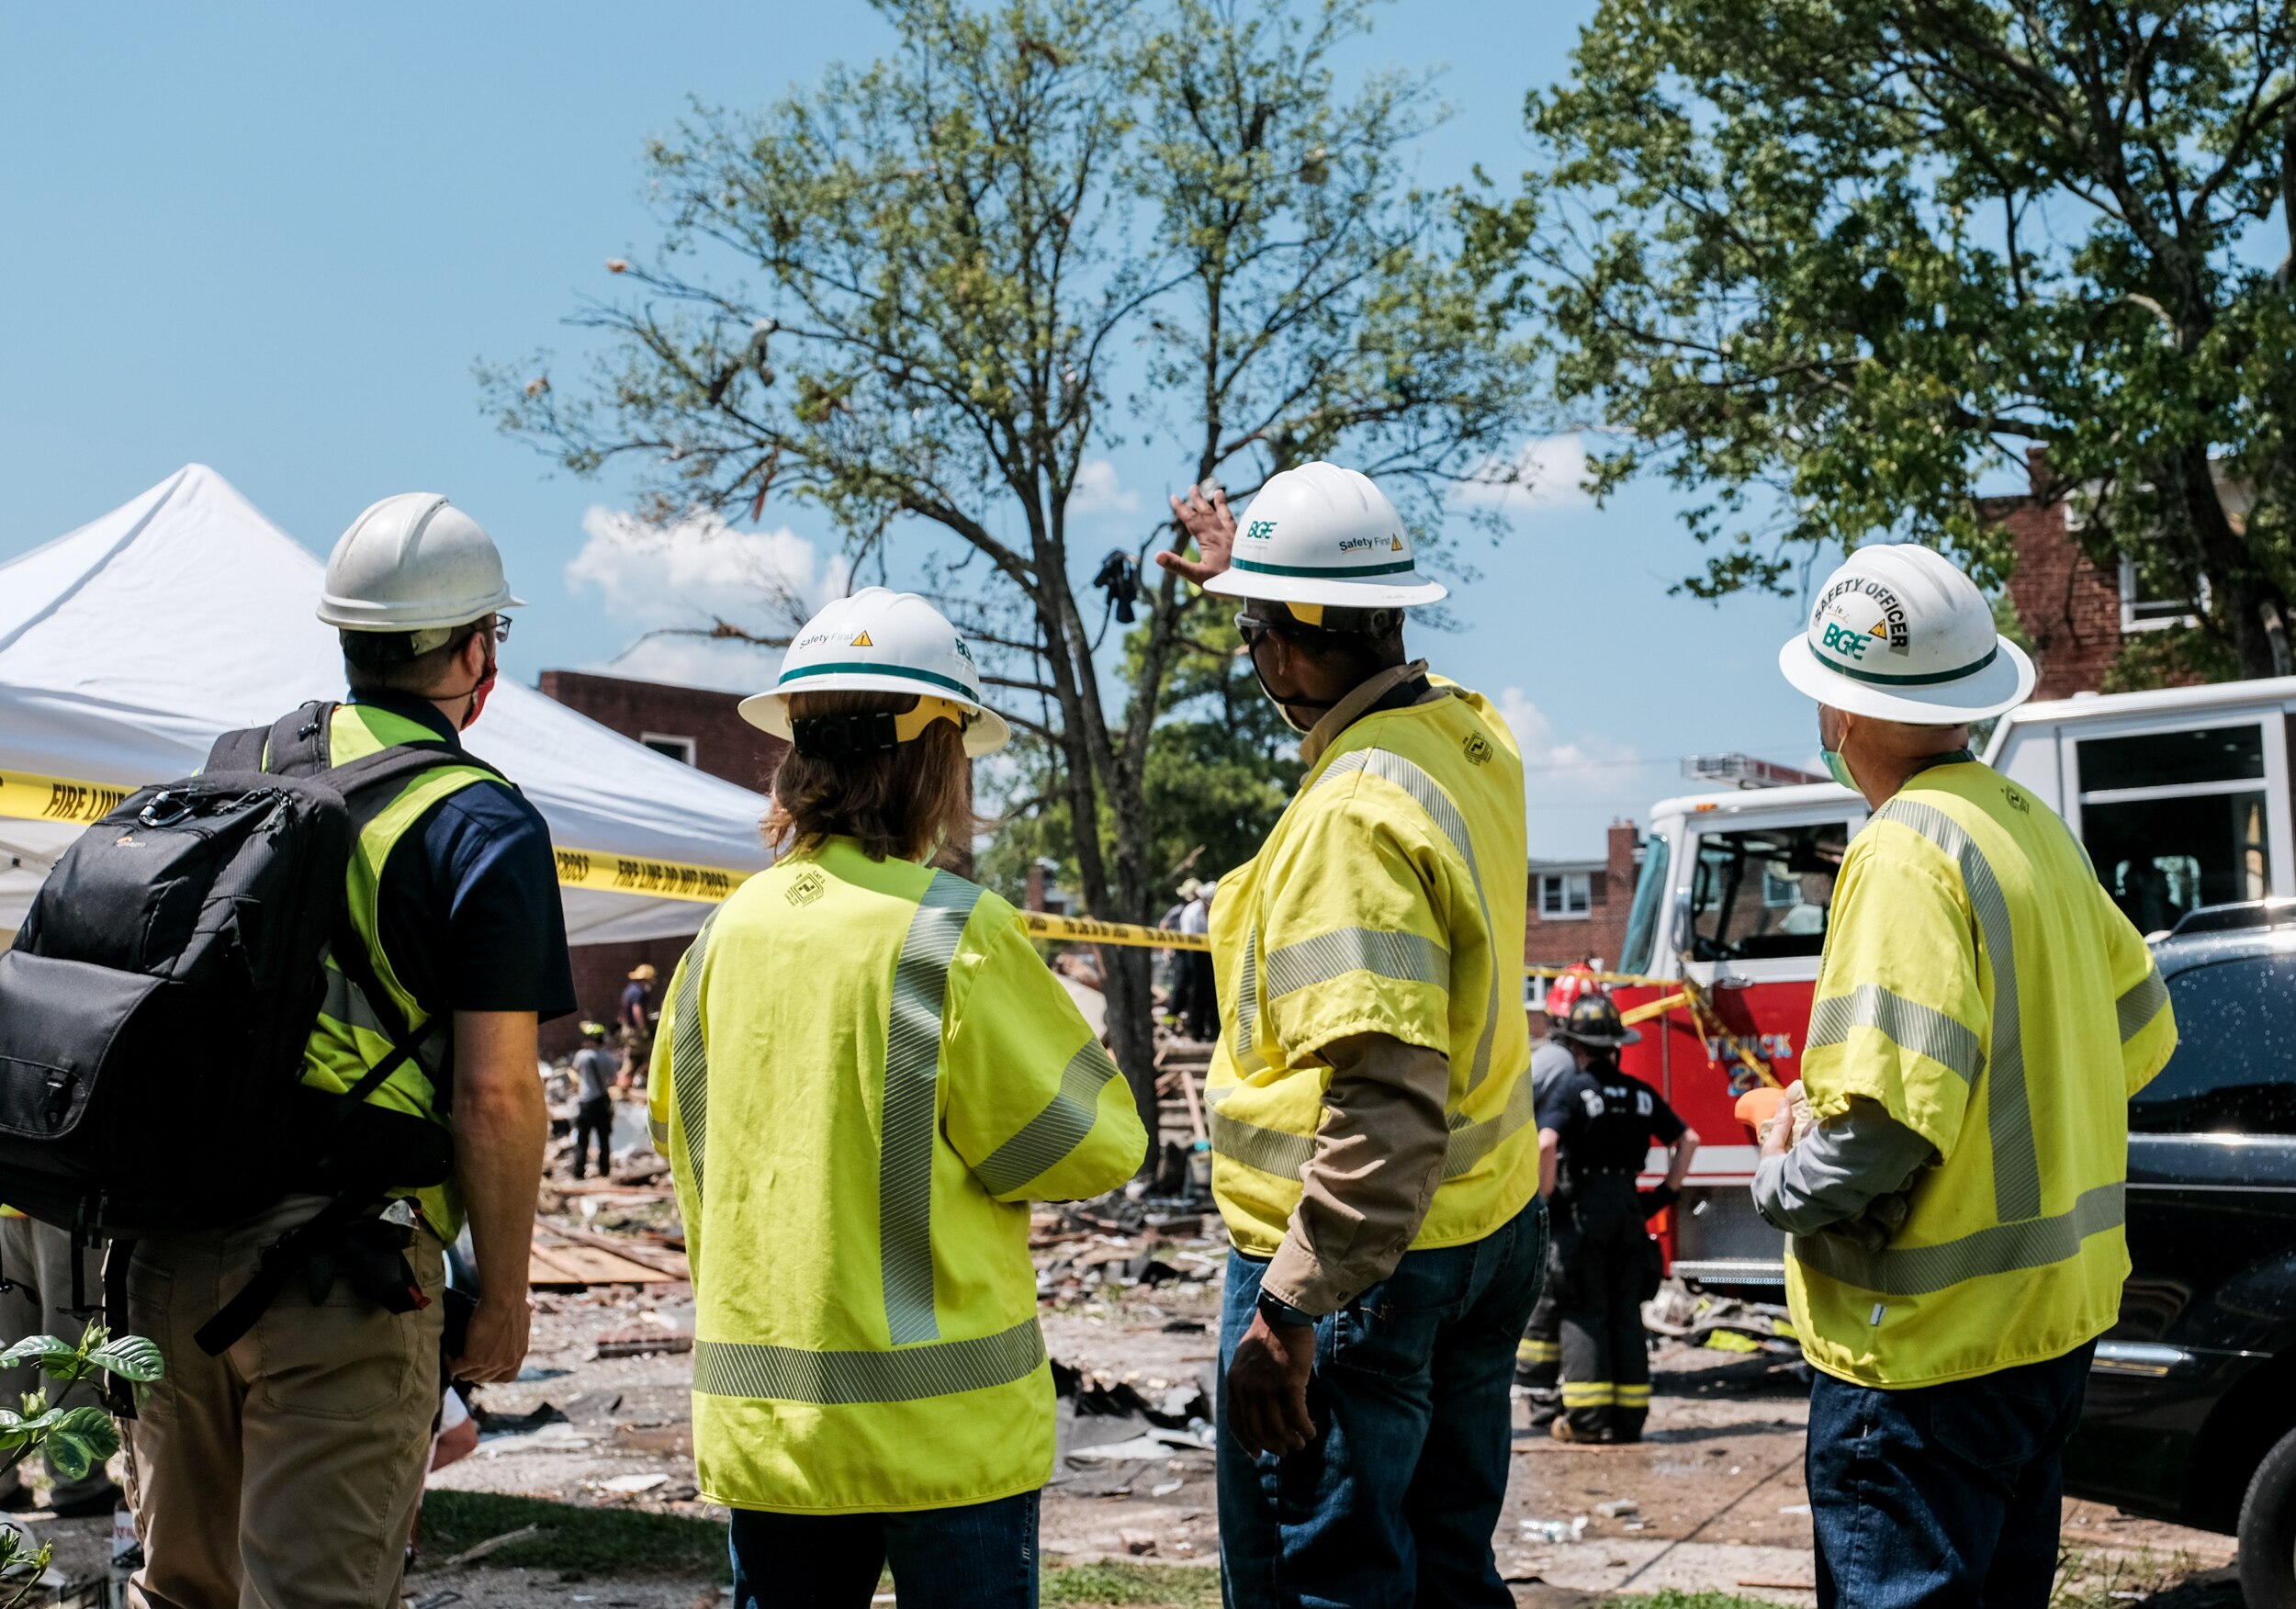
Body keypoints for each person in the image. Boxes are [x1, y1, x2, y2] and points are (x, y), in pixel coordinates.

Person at [651, 588, 1146, 1609]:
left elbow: (679, 1128)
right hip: (945, 1438)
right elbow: (1085, 1149)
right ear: (930, 757)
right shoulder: (954, 930)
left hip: (773, 1433)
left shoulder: (720, 938)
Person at [127, 493, 568, 1608]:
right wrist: (504, 1299)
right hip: (343, 1281)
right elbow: (498, 1096)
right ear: (477, 649)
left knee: (181, 1592)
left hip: (168, 1254)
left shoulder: (233, 768)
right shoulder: (479, 820)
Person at [1755, 544, 2178, 1608]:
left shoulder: (1902, 850)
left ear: (1836, 713)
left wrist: (1778, 1175)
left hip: (1925, 1362)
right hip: (2048, 1332)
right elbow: (2134, 1040)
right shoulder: (2030, 827)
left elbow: (1877, 1141)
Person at [1162, 463, 1544, 1606]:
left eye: (1254, 634)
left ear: (1282, 649)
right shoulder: (1468, 736)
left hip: (1354, 1259)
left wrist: (1290, 1307)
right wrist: (1259, 586)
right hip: (1484, 1230)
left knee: (1324, 1577)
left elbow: (1381, 1092)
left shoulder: (1347, 820)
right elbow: (1350, 680)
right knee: (1442, 1568)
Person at [1536, 993, 1698, 1444]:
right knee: (1626, 1313)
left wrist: (1543, 1202)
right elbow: (1688, 1139)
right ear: (1616, 1047)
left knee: (1585, 1312)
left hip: (1582, 1215)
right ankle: (1629, 1420)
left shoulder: (1573, 1090)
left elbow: (1545, 1143)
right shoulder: (1641, 1095)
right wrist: (1664, 1193)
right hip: (1629, 1214)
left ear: (1578, 1048)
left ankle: (1587, 1422)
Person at [1514, 965, 1598, 1421]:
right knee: (1550, 1286)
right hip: (1541, 1187)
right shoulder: (1560, 1063)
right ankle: (1537, 1387)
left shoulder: (1553, 1058)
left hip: (1539, 1184)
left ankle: (1537, 1385)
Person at [0, 1211, 118, 1516]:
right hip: (66, 1206)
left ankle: (2, 1484)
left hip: (11, 1198)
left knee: (8, 1356)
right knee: (73, 1349)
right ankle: (79, 1483)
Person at [570, 1022, 619, 1180]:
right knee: (603, 1139)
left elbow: (575, 1072)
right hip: (602, 1102)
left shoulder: (582, 1056)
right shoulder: (608, 1058)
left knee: (582, 1139)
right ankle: (605, 1170)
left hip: (586, 1102)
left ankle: (579, 1171)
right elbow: (613, 1080)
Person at [1177, 877, 1218, 1041]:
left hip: (1213, 952)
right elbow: (1190, 945)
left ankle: (1215, 1030)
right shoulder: (1192, 914)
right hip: (1194, 955)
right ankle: (1196, 1030)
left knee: (1214, 994)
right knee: (1197, 993)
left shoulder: (1218, 910)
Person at [618, 962, 656, 1085]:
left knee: (633, 1056)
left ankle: (624, 1085)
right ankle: (627, 1085)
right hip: (635, 1031)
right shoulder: (639, 992)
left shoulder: (631, 989)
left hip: (629, 1029)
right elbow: (637, 1010)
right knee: (646, 1054)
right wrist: (644, 1029)